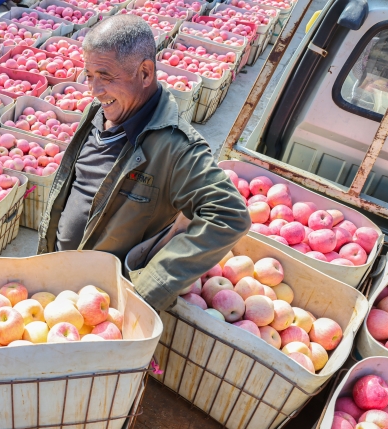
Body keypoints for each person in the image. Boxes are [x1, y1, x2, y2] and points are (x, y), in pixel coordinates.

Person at [38, 15, 251, 311]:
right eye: (88, 75)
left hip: (104, 308)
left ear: (146, 73)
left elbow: (229, 214)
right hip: (59, 287)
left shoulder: (175, 147)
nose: (94, 90)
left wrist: (147, 289)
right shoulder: (99, 113)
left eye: (105, 76)